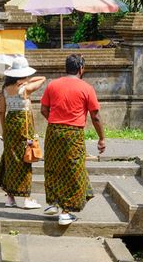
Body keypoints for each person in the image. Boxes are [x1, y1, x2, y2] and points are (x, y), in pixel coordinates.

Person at [40, 54, 105, 226]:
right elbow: (95, 116)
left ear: (66, 67)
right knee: (73, 170)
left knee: (53, 166)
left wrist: (56, 122)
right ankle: (66, 211)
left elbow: (43, 109)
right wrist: (101, 138)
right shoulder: (86, 88)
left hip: (53, 131)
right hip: (74, 133)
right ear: (81, 69)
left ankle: (54, 202)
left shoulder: (52, 85)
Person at [0, 55, 47, 209]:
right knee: (26, 158)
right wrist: (26, 81)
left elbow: (1, 111)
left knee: (11, 159)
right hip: (24, 126)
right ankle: (26, 198)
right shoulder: (25, 89)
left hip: (10, 124)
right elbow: (42, 79)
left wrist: (4, 131)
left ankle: (10, 198)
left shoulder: (5, 89)